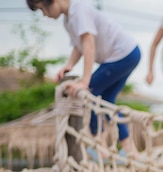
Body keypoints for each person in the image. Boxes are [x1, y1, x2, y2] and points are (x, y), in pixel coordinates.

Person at [26, 0, 141, 157]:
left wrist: (85, 81)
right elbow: (78, 45)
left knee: (91, 94)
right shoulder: (69, 19)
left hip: (122, 54)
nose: (45, 15)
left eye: (43, 9)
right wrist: (69, 65)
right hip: (128, 54)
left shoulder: (79, 10)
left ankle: (99, 146)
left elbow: (88, 45)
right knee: (107, 100)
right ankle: (129, 149)